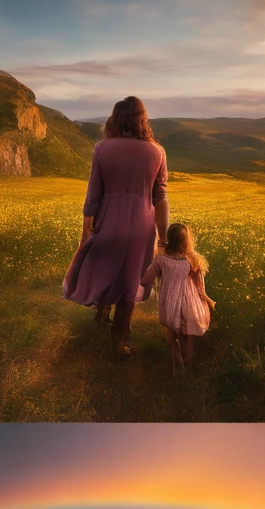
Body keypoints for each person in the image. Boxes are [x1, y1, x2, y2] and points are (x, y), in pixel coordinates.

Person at [62, 95, 169, 361]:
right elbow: (161, 199)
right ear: (142, 120)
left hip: (108, 222)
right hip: (142, 229)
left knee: (103, 267)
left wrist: (86, 229)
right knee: (130, 284)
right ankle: (119, 344)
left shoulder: (102, 148)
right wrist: (163, 238)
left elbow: (93, 195)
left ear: (115, 119)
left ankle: (100, 310)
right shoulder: (157, 152)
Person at [141, 223, 215, 374]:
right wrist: (207, 299)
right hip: (190, 305)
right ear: (185, 242)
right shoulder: (191, 260)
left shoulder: (160, 260)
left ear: (169, 239)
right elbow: (199, 285)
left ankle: (176, 359)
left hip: (169, 304)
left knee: (172, 331)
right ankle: (187, 365)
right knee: (187, 337)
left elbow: (145, 280)